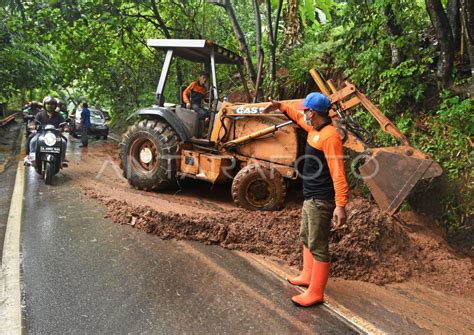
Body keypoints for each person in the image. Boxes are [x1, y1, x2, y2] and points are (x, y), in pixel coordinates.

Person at [263, 92, 348, 307]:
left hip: (322, 199)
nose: (304, 114)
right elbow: (298, 118)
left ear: (315, 113)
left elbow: (338, 172)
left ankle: (316, 293)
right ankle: (307, 276)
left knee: (318, 245)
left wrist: (340, 205)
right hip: (310, 196)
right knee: (306, 236)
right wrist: (281, 105)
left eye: (306, 110)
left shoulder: (330, 137)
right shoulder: (314, 129)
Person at [25, 96, 67, 164]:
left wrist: (65, 127)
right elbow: (35, 122)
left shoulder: (59, 115)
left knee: (64, 141)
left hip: (55, 134)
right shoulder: (40, 114)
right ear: (45, 105)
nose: (50, 106)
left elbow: (64, 123)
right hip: (41, 133)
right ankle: (31, 156)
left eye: (52, 104)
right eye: (48, 104)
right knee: (32, 140)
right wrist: (33, 125)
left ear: (55, 106)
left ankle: (62, 158)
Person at [182, 71, 210, 136]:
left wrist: (210, 99)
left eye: (206, 78)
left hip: (198, 105)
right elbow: (184, 93)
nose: (205, 80)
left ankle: (205, 130)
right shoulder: (193, 84)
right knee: (203, 113)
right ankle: (199, 133)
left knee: (209, 113)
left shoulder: (204, 89)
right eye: (203, 78)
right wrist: (187, 102)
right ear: (200, 77)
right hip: (192, 104)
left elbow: (205, 99)